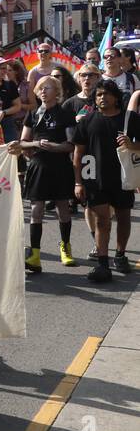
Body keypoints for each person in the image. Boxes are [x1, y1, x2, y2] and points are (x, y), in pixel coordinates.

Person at [73, 80, 139, 282]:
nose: (103, 98)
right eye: (99, 94)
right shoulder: (87, 120)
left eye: (107, 94)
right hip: (95, 179)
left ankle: (120, 255)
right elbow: (78, 152)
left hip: (123, 177)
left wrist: (133, 145)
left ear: (116, 97)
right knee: (102, 220)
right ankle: (103, 264)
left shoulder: (130, 120)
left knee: (124, 217)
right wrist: (78, 182)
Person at [10, 75, 77, 273]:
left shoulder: (65, 114)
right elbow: (22, 143)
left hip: (60, 166)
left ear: (57, 92)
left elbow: (70, 144)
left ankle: (65, 247)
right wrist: (36, 144)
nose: (43, 91)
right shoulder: (33, 114)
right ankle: (35, 255)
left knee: (62, 208)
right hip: (38, 165)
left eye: (48, 88)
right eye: (40, 88)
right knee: (36, 210)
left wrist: (54, 147)